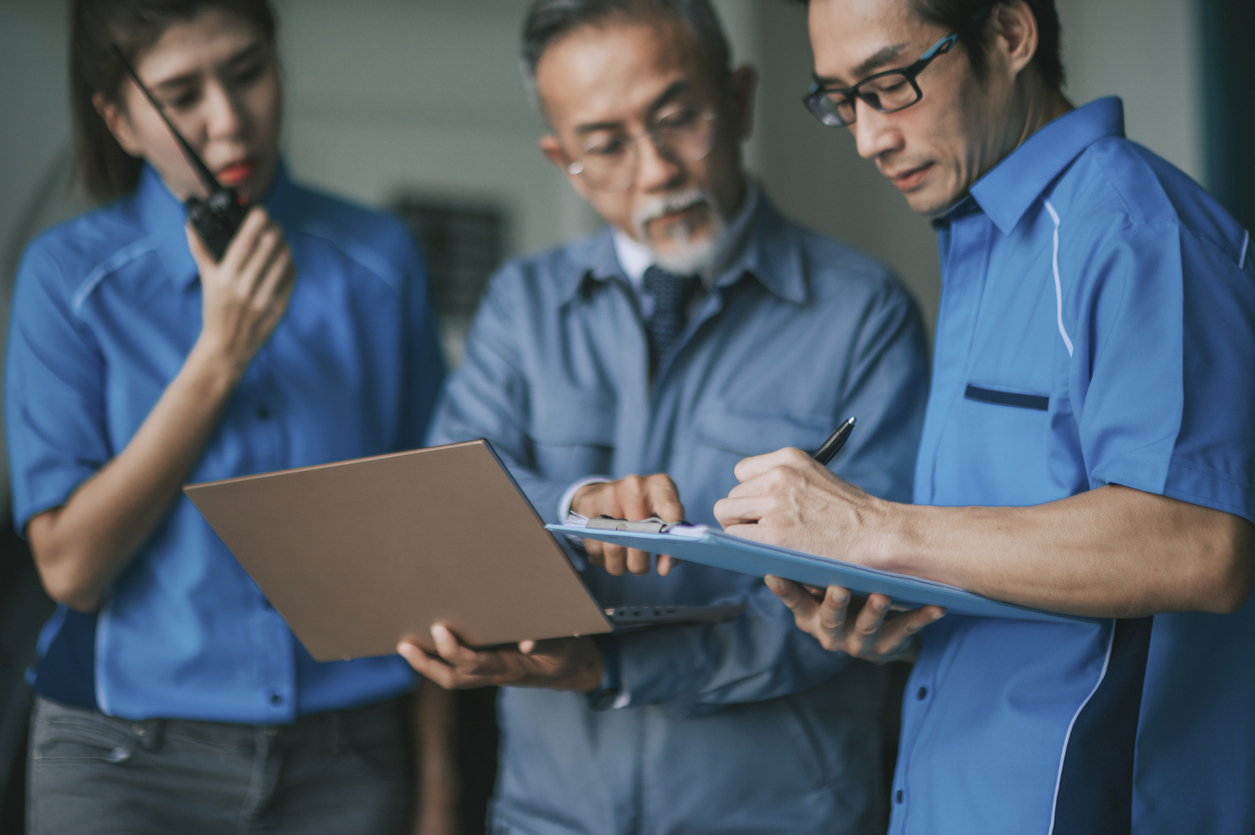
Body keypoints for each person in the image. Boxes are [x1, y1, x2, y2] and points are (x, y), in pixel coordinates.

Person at [713, 0, 1255, 832]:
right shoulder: (989, 234)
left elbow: (1195, 541)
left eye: (889, 84)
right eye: (838, 99)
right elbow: (1013, 554)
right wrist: (885, 602)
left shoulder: (1132, 233)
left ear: (1008, 35)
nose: (866, 136)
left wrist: (872, 530)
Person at [394, 1, 931, 832]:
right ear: (560, 156)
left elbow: (871, 600)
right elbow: (444, 505)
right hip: (548, 816)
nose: (654, 171)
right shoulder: (520, 305)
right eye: (604, 145)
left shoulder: (864, 315)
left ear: (740, 99)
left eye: (677, 119)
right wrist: (572, 508)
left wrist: (609, 663)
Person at [5, 1, 456, 832]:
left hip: (348, 757)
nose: (228, 121)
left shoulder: (380, 260)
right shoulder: (66, 278)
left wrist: (439, 797)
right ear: (120, 120)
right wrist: (217, 360)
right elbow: (69, 569)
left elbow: (427, 550)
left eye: (247, 72)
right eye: (180, 95)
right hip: (123, 761)